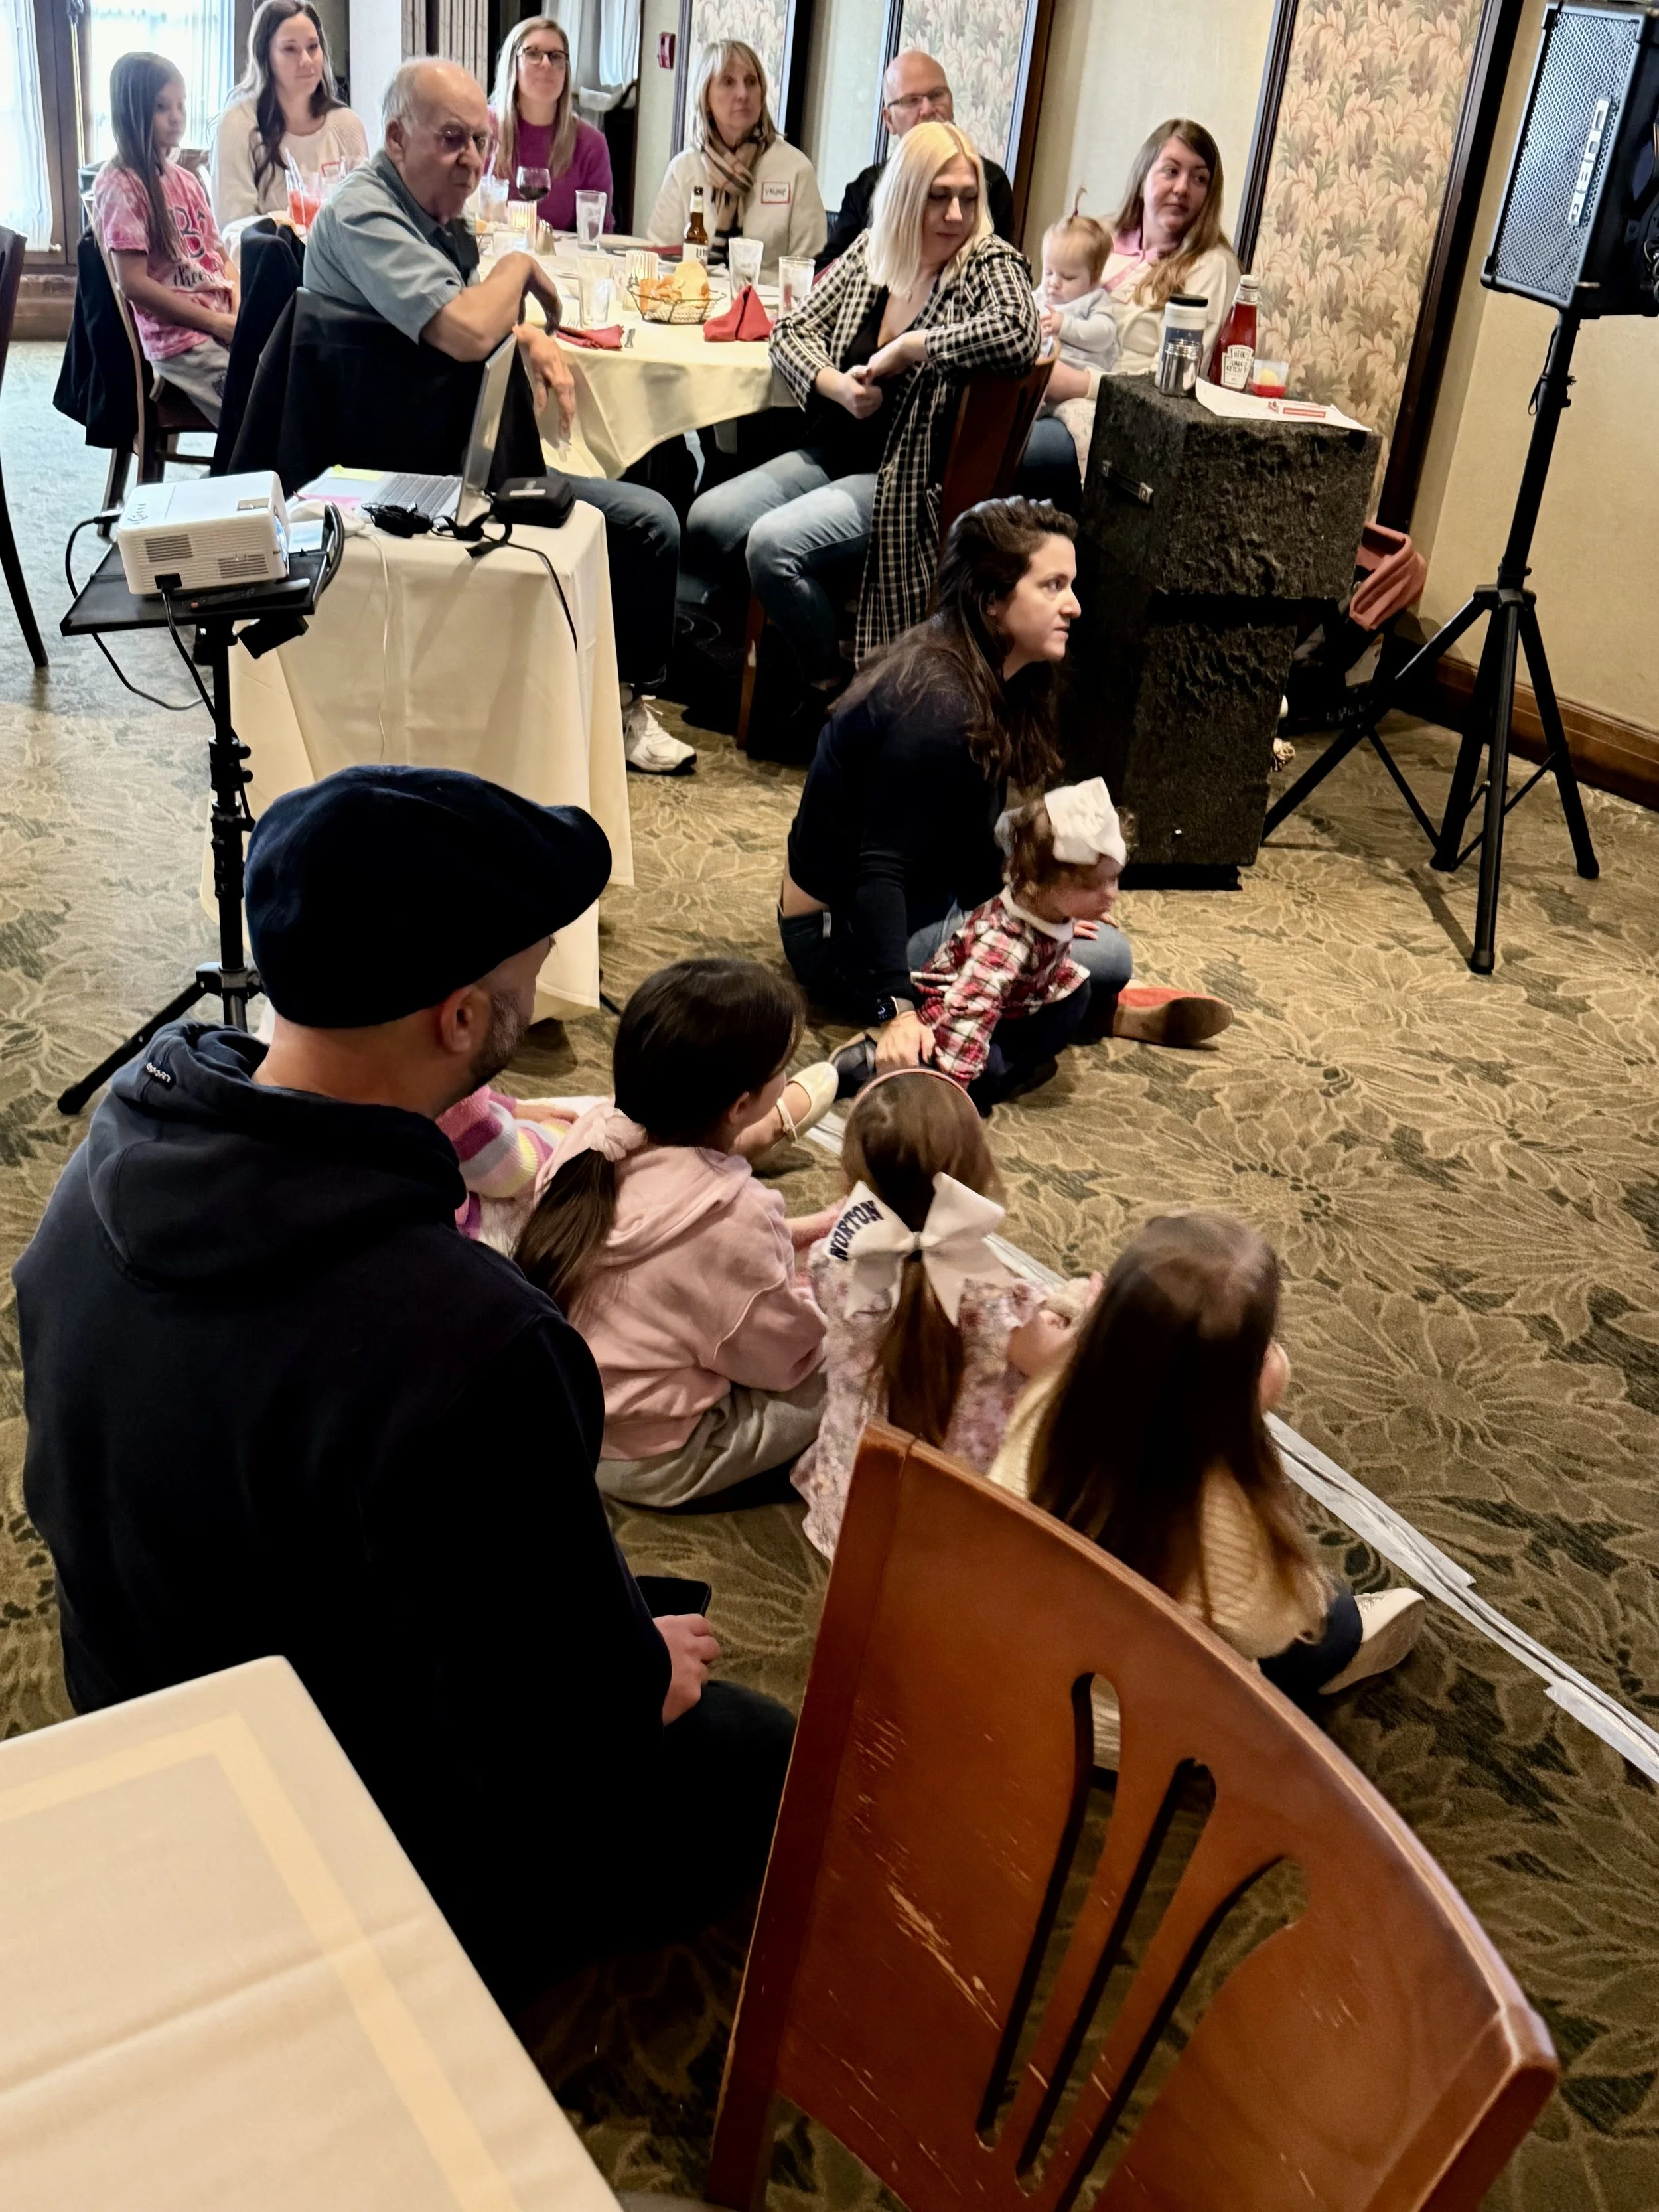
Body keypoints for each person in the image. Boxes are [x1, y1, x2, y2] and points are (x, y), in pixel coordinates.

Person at [13, 764, 796, 2006]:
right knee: (757, 1749)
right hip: (330, 1816)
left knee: (612, 1600)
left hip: (138, 1691)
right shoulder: (472, 1340)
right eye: (531, 972)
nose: (536, 995)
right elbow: (551, 1728)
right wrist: (636, 1675)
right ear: (461, 1020)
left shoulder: (111, 1149)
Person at [305, 58, 695, 775]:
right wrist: (518, 267)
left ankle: (597, 692)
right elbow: (460, 328)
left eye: (481, 142)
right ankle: (614, 707)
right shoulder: (363, 213)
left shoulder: (422, 212)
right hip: (396, 480)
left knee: (651, 509)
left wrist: (529, 333)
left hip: (436, 445)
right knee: (645, 525)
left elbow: (449, 322)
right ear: (395, 137)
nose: (472, 161)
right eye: (452, 139)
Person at [778, 498, 1225, 1062]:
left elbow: (964, 841)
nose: (1075, 606)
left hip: (918, 898)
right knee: (1103, 959)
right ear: (993, 600)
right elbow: (879, 872)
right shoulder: (936, 708)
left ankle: (1061, 1001)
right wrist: (896, 1009)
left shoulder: (981, 666)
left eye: (1072, 585)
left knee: (1090, 945)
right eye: (1053, 586)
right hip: (839, 937)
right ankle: (913, 1049)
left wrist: (1036, 902)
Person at [992, 1212, 1427, 1764]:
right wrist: (1253, 1412)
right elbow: (1273, 1630)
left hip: (1024, 1673)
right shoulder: (1229, 1511)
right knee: (1324, 1617)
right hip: (1137, 1737)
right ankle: (1350, 1646)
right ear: (1232, 1389)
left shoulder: (1046, 1403)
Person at [684, 121, 1039, 715]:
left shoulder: (986, 260)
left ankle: (840, 695)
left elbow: (1019, 331)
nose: (956, 213)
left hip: (906, 479)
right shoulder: (877, 250)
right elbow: (793, 329)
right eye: (938, 195)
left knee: (773, 548)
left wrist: (912, 346)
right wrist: (834, 385)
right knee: (709, 519)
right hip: (836, 452)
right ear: (905, 194)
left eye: (968, 197)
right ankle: (792, 659)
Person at [516, 960, 834, 1509]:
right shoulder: (736, 1217)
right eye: (782, 1068)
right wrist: (828, 1287)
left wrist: (807, 1232)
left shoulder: (597, 1133)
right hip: (650, 1460)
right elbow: (783, 1362)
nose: (786, 1074)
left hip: (566, 1415)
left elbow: (688, 1270)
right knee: (853, 1356)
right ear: (740, 1105)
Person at [792, 1069, 1084, 1558]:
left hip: (847, 1511)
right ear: (976, 1181)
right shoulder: (994, 1300)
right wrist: (1087, 1310)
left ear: (851, 1178)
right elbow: (1055, 1363)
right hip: (944, 1536)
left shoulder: (833, 1260)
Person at [839, 777, 1223, 1114]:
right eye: (1093, 886)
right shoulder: (1004, 946)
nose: (1111, 896)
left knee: (1080, 988)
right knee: (983, 1072)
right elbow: (969, 1015)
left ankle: (1075, 1024)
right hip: (954, 1011)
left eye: (1114, 880)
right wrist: (951, 1093)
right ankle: (886, 1060)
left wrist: (1074, 916)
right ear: (1042, 885)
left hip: (1017, 1001)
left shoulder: (1047, 905)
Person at [93, 53, 239, 424]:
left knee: (296, 377)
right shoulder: (120, 185)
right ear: (132, 111)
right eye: (162, 107)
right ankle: (239, 477)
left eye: (181, 104)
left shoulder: (186, 180)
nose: (177, 116)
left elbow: (219, 256)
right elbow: (135, 284)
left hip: (221, 321)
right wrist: (216, 324)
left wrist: (237, 308)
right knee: (257, 411)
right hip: (181, 340)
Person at [816, 48, 1015, 271]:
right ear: (889, 119)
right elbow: (826, 271)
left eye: (937, 95)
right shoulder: (867, 186)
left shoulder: (988, 182)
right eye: (912, 101)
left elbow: (996, 269)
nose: (928, 109)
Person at [648, 40, 824, 279]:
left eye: (751, 82)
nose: (742, 94)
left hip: (769, 310)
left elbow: (811, 269)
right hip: (694, 306)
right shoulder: (685, 169)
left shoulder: (794, 168)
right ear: (705, 95)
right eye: (728, 82)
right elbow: (660, 259)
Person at [210, 0, 369, 236]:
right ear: (266, 56)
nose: (306, 60)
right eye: (290, 49)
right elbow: (235, 227)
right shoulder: (238, 124)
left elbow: (364, 212)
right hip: (270, 265)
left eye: (313, 47)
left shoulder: (346, 124)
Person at [1100, 119, 1238, 378]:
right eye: (1171, 171)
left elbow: (1175, 380)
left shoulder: (1212, 264)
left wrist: (1079, 383)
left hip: (1116, 406)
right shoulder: (1100, 240)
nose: (1182, 189)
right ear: (1143, 179)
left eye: (1199, 178)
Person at [1020, 196, 1117, 509]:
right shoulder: (1039, 296)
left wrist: (1065, 324)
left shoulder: (1094, 302)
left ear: (1094, 278)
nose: (1054, 284)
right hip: (1039, 382)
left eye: (1068, 277)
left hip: (1075, 385)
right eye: (1049, 272)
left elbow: (1104, 335)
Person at [488, 15, 613, 236]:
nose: (546, 64)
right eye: (533, 54)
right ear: (512, 65)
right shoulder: (482, 129)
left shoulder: (590, 143)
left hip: (559, 264)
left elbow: (598, 231)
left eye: (556, 57)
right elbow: (459, 209)